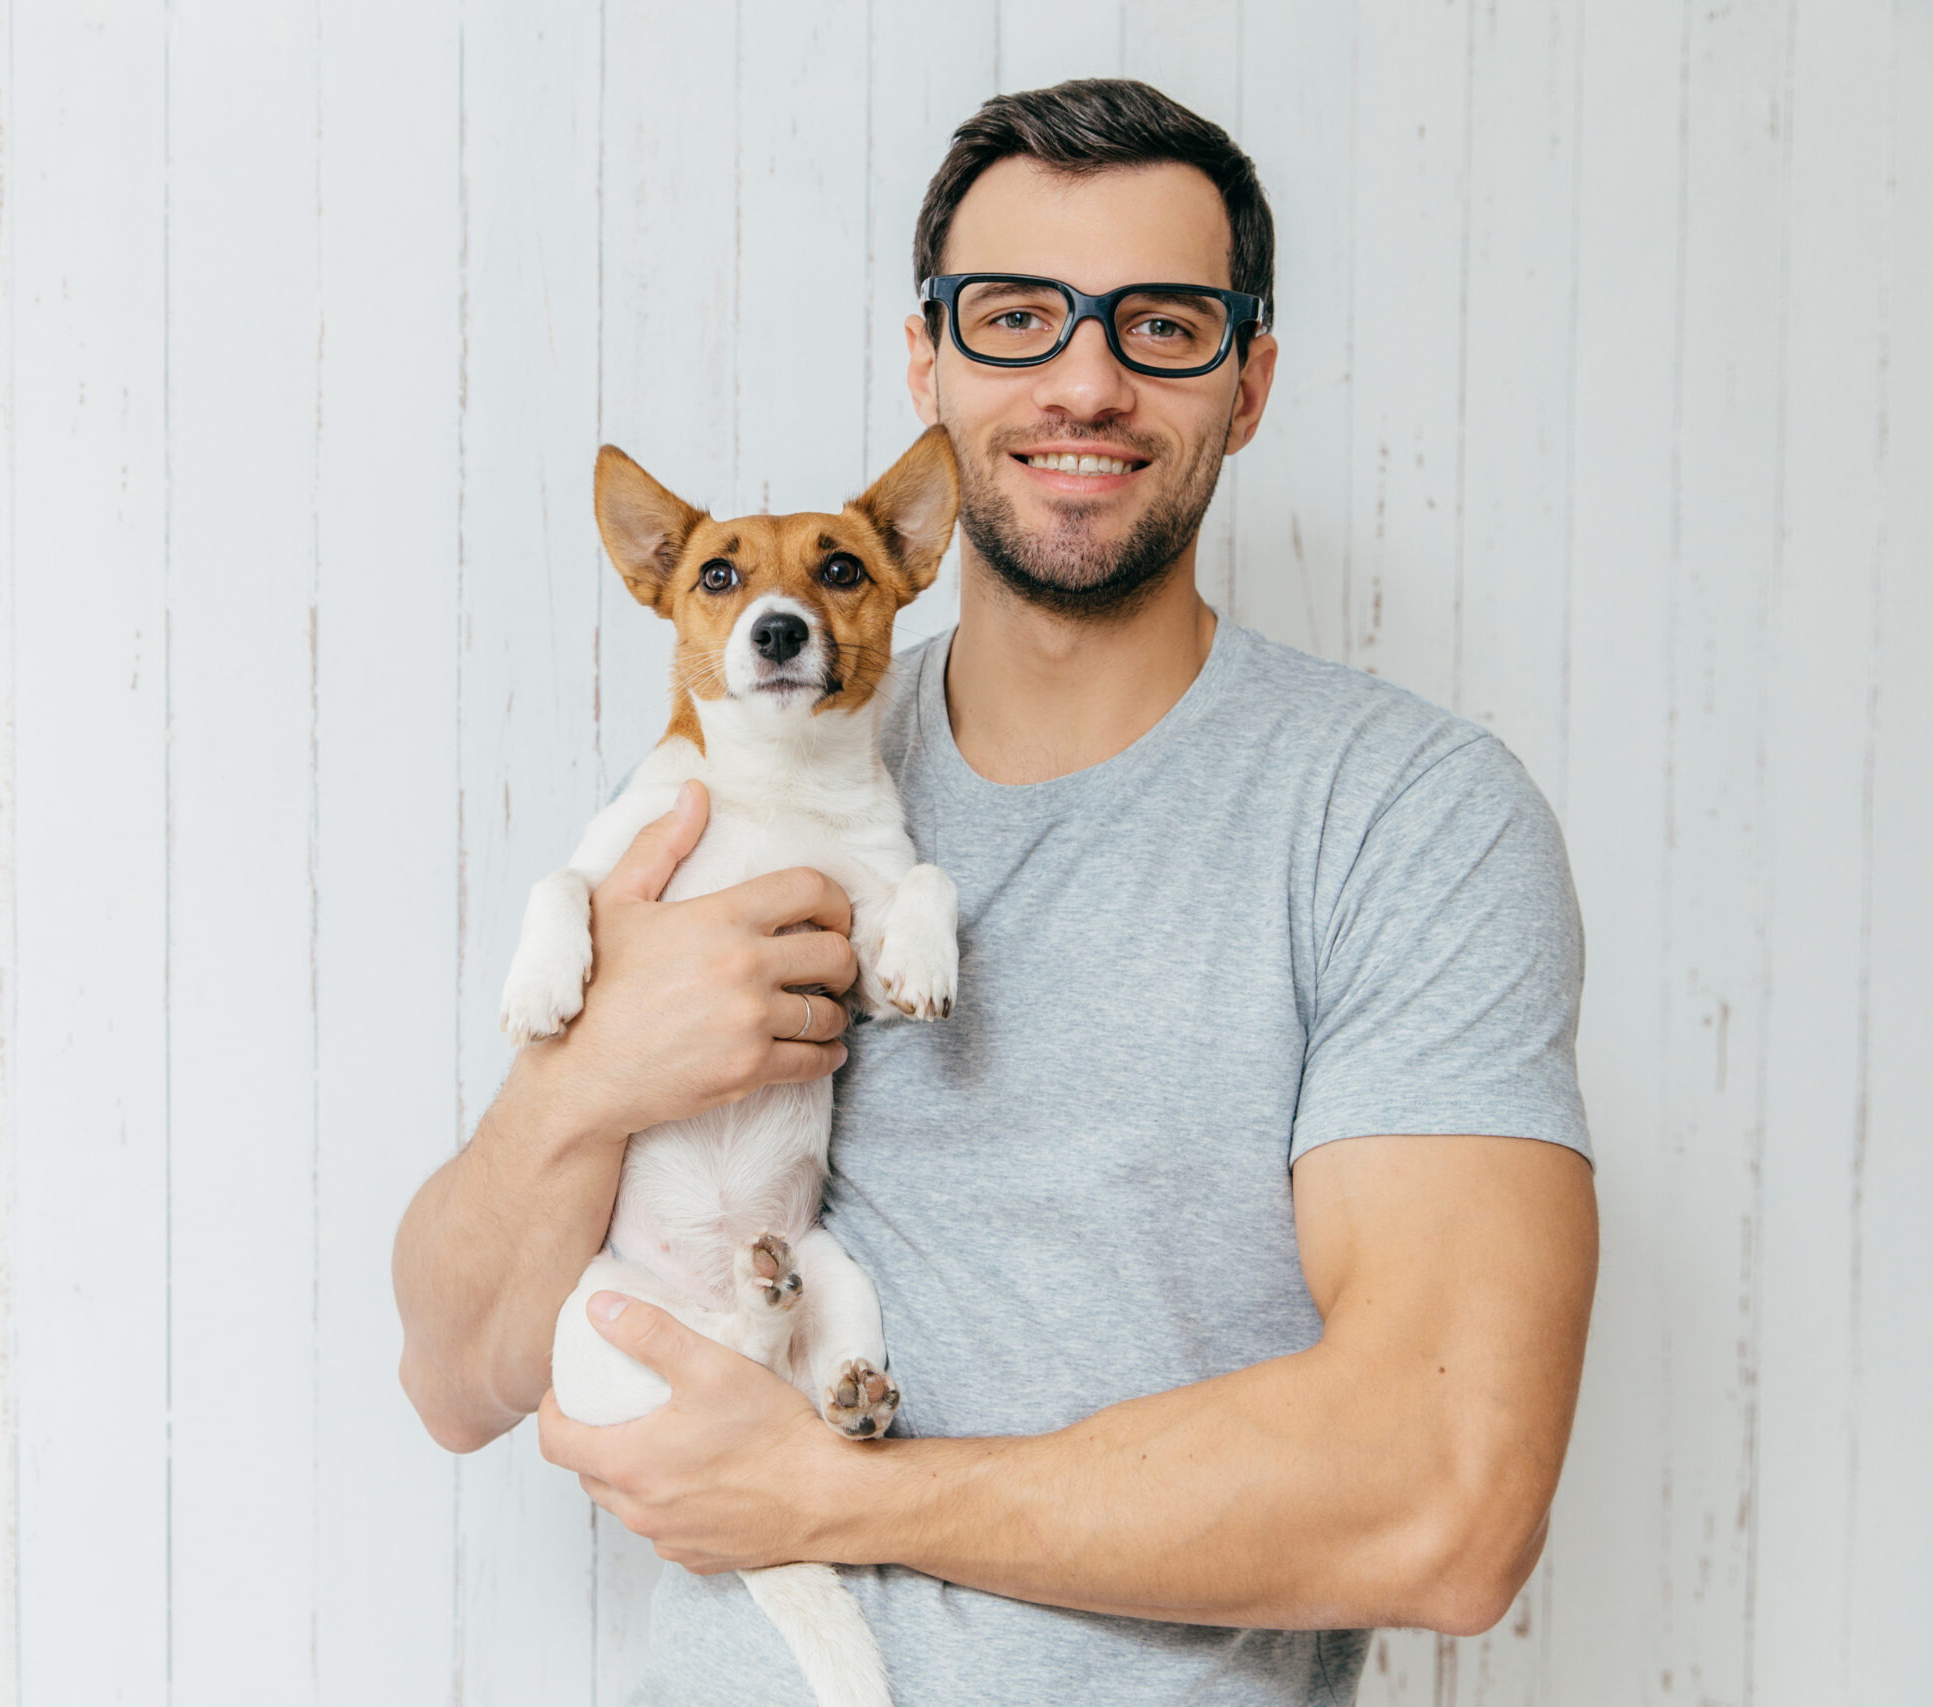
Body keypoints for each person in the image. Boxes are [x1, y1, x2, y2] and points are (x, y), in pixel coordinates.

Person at [391, 77, 1596, 1706]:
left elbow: (1449, 1503)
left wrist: (838, 1497)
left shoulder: (1402, 819)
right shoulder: (749, 771)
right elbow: (459, 1376)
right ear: (928, 365)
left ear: (1247, 383)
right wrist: (594, 1076)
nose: (1084, 382)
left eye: (1161, 326)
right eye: (1018, 317)